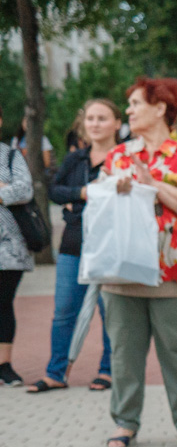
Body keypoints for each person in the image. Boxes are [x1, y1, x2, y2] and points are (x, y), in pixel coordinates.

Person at [100, 77, 177, 447]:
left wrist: (153, 185)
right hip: (124, 270)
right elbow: (101, 206)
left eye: (135, 104)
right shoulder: (118, 156)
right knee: (124, 352)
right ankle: (125, 421)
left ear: (160, 108)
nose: (128, 111)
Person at [26, 99, 122, 393]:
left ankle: (108, 371)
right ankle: (56, 372)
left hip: (110, 245)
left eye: (102, 118)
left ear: (117, 123)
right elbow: (54, 190)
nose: (95, 124)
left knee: (110, 312)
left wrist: (81, 198)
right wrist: (83, 192)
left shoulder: (125, 159)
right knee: (64, 311)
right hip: (73, 243)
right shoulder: (76, 159)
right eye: (90, 118)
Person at [0, 102, 35, 387]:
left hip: (8, 248)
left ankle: (4, 365)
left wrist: (4, 192)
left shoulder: (11, 155)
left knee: (3, 303)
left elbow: (25, 189)